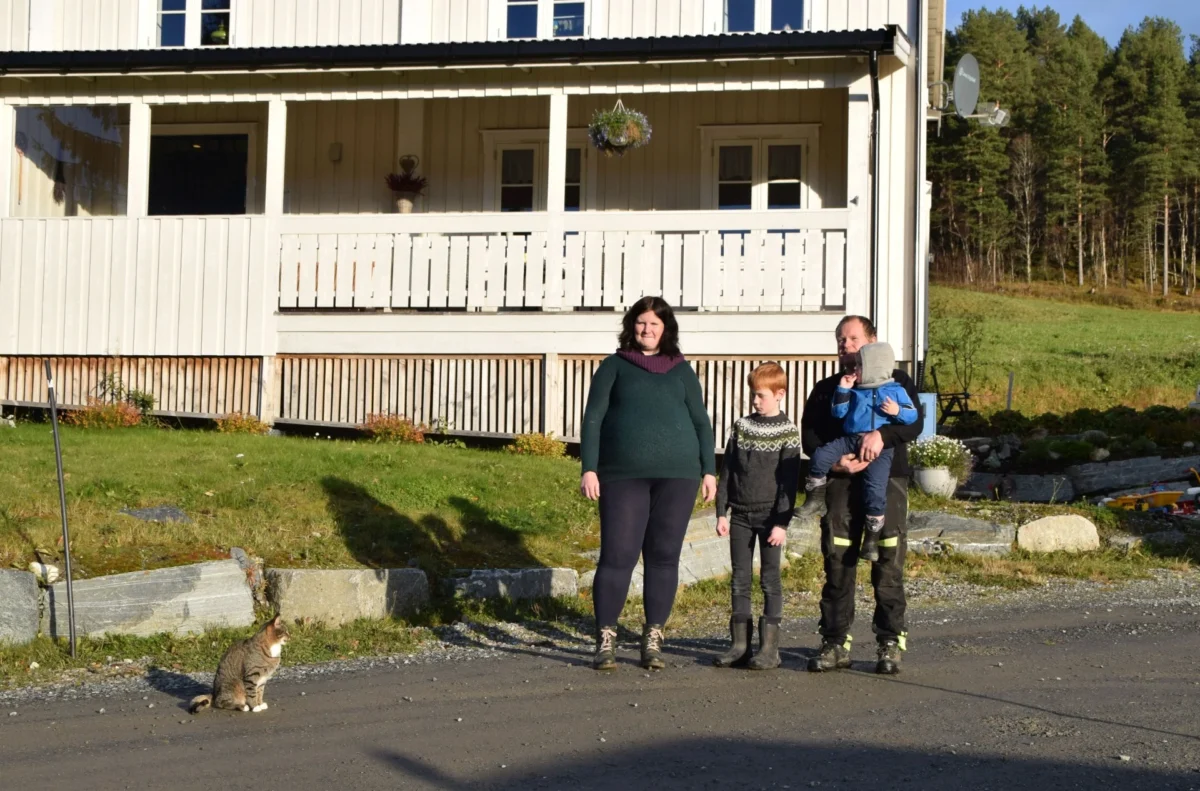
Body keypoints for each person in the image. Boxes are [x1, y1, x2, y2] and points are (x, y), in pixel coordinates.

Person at [579, 296, 717, 672]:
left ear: (666, 329)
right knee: (618, 556)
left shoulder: (682, 371)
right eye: (641, 323)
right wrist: (588, 468)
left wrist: (709, 470)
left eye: (655, 324)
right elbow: (593, 419)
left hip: (679, 476)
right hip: (623, 475)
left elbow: (701, 422)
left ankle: (652, 637)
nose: (647, 330)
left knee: (663, 558)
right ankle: (606, 638)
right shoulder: (613, 367)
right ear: (631, 326)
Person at [800, 316, 922, 675]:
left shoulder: (898, 381)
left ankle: (889, 642)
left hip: (889, 479)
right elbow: (810, 438)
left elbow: (914, 423)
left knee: (888, 560)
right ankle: (835, 642)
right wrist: (835, 463)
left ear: (872, 341)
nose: (845, 345)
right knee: (838, 559)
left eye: (853, 338)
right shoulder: (827, 388)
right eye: (840, 339)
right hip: (841, 483)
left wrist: (883, 436)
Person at [711, 362, 802, 671]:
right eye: (752, 394)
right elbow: (727, 471)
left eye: (760, 395)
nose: (755, 400)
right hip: (740, 515)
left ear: (780, 394)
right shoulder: (741, 427)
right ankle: (739, 645)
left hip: (769, 518)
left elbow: (790, 482)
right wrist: (721, 511)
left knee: (770, 579)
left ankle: (769, 649)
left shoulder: (788, 432)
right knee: (739, 579)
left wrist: (781, 522)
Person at [795, 341, 917, 562]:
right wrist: (843, 389)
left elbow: (912, 418)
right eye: (841, 339)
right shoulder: (854, 389)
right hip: (850, 440)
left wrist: (896, 411)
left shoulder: (896, 389)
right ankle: (814, 498)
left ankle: (871, 538)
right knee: (820, 457)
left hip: (881, 451)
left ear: (873, 367)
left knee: (875, 490)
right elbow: (839, 413)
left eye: (860, 366)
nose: (855, 369)